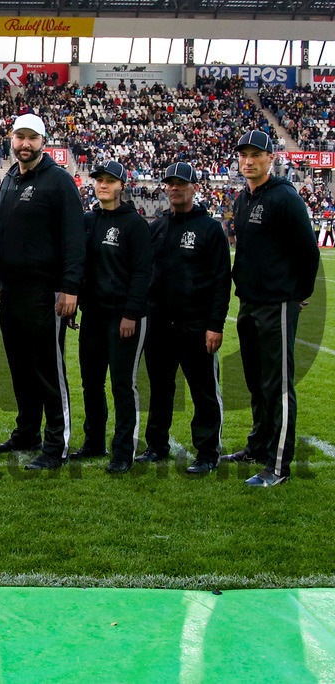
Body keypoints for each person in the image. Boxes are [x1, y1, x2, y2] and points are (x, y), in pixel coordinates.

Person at [223, 131, 320, 486]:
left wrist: (299, 292)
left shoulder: (284, 198)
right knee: (256, 382)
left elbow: (308, 251)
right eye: (243, 155)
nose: (248, 161)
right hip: (249, 302)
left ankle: (278, 465)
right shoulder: (242, 198)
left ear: (271, 158)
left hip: (277, 303)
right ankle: (259, 446)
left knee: (277, 385)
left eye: (255, 155)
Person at [0, 114, 85, 470]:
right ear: (11, 139)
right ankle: (26, 432)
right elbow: (5, 237)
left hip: (46, 292)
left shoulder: (59, 181)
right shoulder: (9, 180)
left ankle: (56, 445)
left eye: (32, 138)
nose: (25, 144)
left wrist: (69, 288)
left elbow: (74, 238)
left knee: (48, 371)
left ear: (43, 141)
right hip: (12, 291)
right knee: (20, 368)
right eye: (19, 137)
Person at [136, 162, 231, 474]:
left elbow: (221, 281)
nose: (174, 188)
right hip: (159, 324)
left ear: (195, 187)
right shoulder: (158, 227)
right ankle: (156, 446)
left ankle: (207, 453)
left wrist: (215, 324)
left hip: (196, 325)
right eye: (170, 184)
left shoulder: (210, 229)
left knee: (203, 390)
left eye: (181, 183)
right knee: (160, 388)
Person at [72, 161, 152, 474]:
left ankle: (123, 452)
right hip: (92, 315)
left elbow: (143, 272)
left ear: (122, 185)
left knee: (122, 385)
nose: (103, 185)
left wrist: (131, 314)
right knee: (91, 383)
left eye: (110, 181)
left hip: (124, 318)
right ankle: (94, 442)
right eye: (100, 180)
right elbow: (80, 265)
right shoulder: (88, 220)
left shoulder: (135, 223)